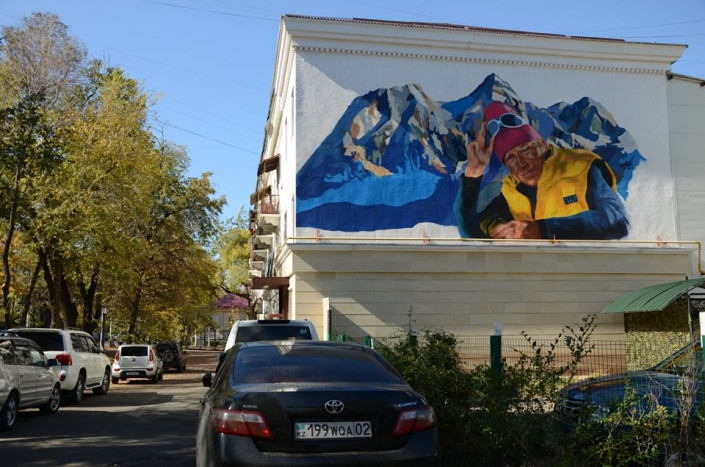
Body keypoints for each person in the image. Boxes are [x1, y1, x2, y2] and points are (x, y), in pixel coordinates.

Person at [458, 101, 629, 240]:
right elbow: (472, 233)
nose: (521, 164)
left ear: (541, 146)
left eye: (525, 150)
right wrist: (473, 176)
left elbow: (616, 220)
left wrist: (543, 229)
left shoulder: (582, 166)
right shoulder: (512, 189)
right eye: (510, 158)